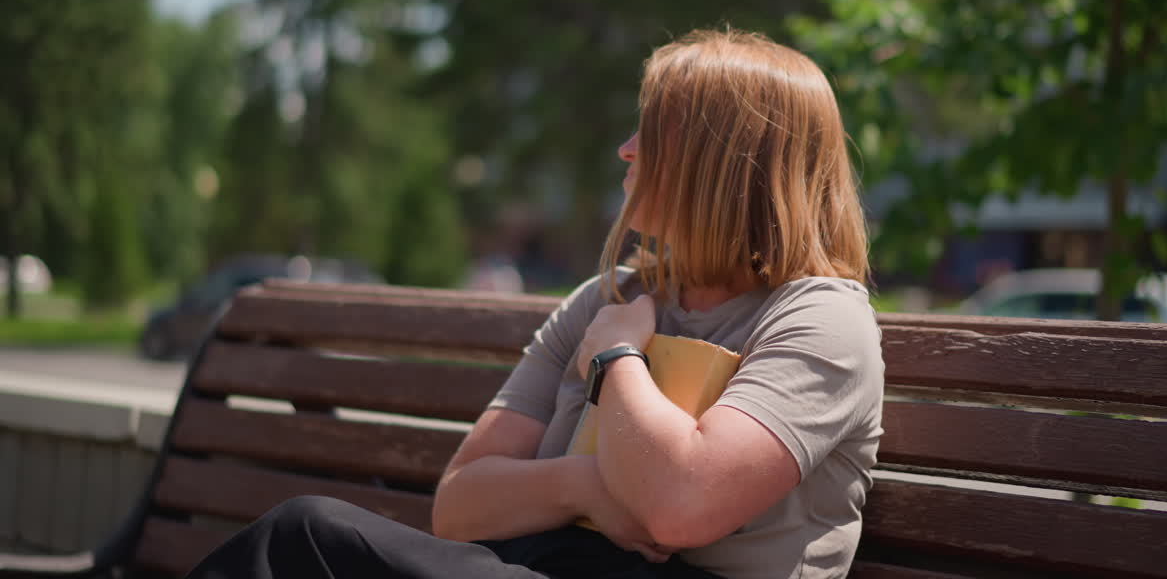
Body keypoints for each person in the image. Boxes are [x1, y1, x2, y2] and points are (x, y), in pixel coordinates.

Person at [185, 28, 885, 579]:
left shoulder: (820, 320)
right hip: (537, 565)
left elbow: (679, 508)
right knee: (307, 537)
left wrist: (616, 359)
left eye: (655, 133)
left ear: (720, 167)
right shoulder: (611, 297)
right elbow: (458, 506)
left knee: (305, 540)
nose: (625, 149)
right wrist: (581, 484)